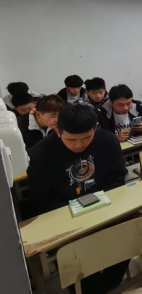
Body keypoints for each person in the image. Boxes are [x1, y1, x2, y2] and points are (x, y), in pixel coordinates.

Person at [27, 105, 128, 294]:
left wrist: (100, 209)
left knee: (128, 235)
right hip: (66, 221)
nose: (79, 145)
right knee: (78, 262)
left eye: (87, 138)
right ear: (58, 131)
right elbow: (42, 200)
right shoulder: (40, 154)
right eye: (71, 139)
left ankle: (109, 286)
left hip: (104, 210)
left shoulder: (107, 141)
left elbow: (117, 178)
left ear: (95, 128)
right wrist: (78, 218)